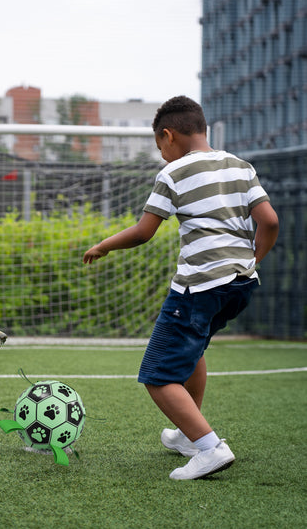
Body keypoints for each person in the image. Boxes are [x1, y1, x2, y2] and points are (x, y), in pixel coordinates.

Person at [83, 96, 279, 480]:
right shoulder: (240, 167)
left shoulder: (174, 174)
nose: (162, 157)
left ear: (168, 135)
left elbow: (143, 233)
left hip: (199, 285)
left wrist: (104, 245)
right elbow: (269, 221)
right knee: (194, 348)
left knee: (157, 374)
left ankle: (209, 448)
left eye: (161, 149)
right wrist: (253, 260)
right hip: (240, 284)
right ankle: (189, 438)